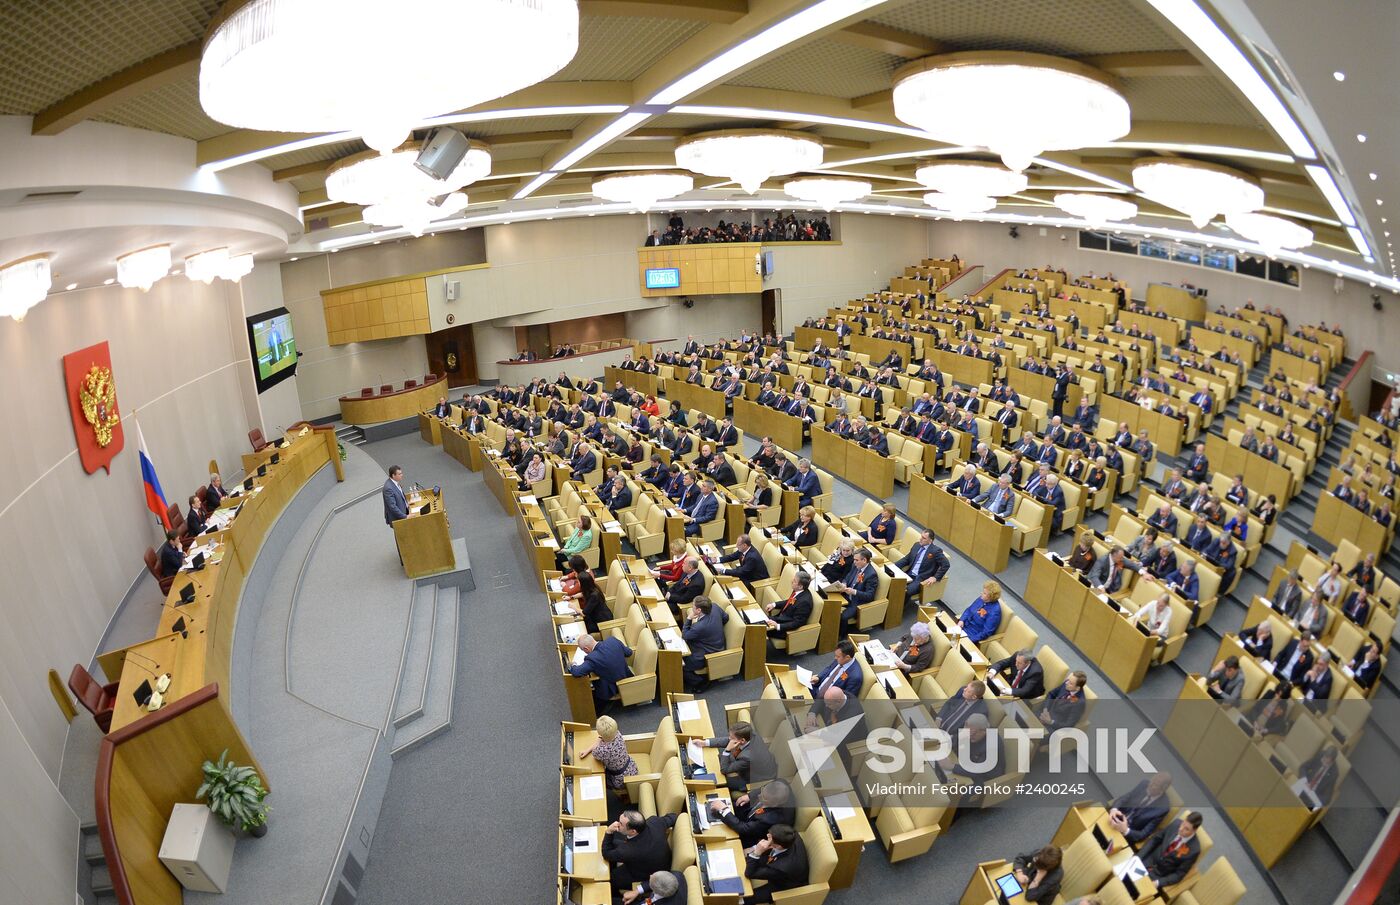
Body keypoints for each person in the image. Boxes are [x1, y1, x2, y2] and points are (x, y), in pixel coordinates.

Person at [602, 810, 677, 892]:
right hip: (659, 858)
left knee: (612, 877)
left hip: (648, 872)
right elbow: (673, 816)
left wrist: (609, 831)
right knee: (614, 843)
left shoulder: (628, 851)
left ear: (633, 831)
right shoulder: (655, 822)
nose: (616, 824)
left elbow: (606, 854)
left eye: (620, 824)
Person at [708, 779, 796, 847]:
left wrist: (724, 810)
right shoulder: (781, 784)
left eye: (764, 798)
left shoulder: (770, 819)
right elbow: (767, 787)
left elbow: (743, 828)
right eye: (762, 791)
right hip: (747, 813)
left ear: (774, 804)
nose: (759, 796)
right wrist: (749, 796)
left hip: (750, 834)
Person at [702, 721, 776, 792]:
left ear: (742, 740)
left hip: (757, 779)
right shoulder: (750, 734)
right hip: (753, 765)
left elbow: (724, 770)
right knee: (719, 758)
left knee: (718, 780)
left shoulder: (747, 757)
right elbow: (729, 740)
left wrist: (727, 750)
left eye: (732, 738)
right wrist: (705, 743)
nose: (729, 739)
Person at [743, 823, 808, 904]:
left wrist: (757, 852)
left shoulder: (782, 867)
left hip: (784, 884)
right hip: (777, 861)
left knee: (745, 899)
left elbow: (749, 873)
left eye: (770, 837)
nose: (767, 835)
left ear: (778, 846)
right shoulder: (789, 834)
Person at [1138, 813, 1203, 890]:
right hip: (1146, 861)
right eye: (1183, 824)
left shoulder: (1194, 850)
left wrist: (1158, 882)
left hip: (1157, 876)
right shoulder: (1175, 824)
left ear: (1194, 830)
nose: (1181, 829)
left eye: (1186, 829)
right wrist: (1138, 857)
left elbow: (1179, 874)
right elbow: (1155, 840)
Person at [568, 632, 632, 709]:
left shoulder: (592, 658)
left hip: (614, 687)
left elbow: (576, 672)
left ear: (586, 649)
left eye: (583, 650)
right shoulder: (612, 640)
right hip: (627, 675)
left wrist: (573, 664)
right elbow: (629, 652)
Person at [1108, 772, 1173, 845]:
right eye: (1150, 784)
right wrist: (1114, 810)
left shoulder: (1162, 809)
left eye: (1154, 787)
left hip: (1125, 835)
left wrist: (1125, 830)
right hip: (1114, 818)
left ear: (1162, 790)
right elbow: (1124, 798)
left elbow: (1143, 834)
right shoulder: (1144, 784)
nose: (1149, 788)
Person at [681, 597, 729, 692]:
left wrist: (689, 619)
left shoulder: (699, 627)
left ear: (699, 610)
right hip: (716, 642)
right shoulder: (714, 607)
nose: (692, 608)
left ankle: (700, 682)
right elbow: (725, 617)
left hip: (709, 652)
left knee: (682, 664)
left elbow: (685, 635)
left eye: (693, 607)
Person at [578, 715, 637, 791]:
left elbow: (595, 752)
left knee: (599, 780)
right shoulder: (617, 734)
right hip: (631, 767)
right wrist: (587, 750)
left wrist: (588, 750)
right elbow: (600, 740)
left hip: (620, 779)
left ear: (599, 733)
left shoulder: (602, 751)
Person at [830, 548, 878, 635]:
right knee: (829, 604)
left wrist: (854, 592)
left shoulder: (871, 575)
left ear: (864, 560)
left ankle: (841, 636)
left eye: (856, 560)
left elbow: (870, 596)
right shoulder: (856, 565)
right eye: (854, 560)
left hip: (857, 602)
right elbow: (847, 577)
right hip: (846, 595)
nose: (854, 562)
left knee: (843, 617)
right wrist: (844, 583)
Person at [895, 529, 951, 601]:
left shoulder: (935, 551)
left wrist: (935, 577)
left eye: (924, 538)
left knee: (907, 591)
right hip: (909, 573)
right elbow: (906, 559)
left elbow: (946, 564)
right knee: (894, 582)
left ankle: (898, 609)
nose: (920, 539)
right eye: (921, 536)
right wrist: (894, 566)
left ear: (930, 540)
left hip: (921, 579)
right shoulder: (916, 545)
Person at [764, 570, 814, 640]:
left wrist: (777, 626)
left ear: (800, 586)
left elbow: (797, 623)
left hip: (785, 629)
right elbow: (789, 601)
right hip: (779, 619)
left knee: (757, 629)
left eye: (794, 581)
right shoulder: (798, 591)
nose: (791, 581)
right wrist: (774, 604)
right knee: (758, 621)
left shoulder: (805, 603)